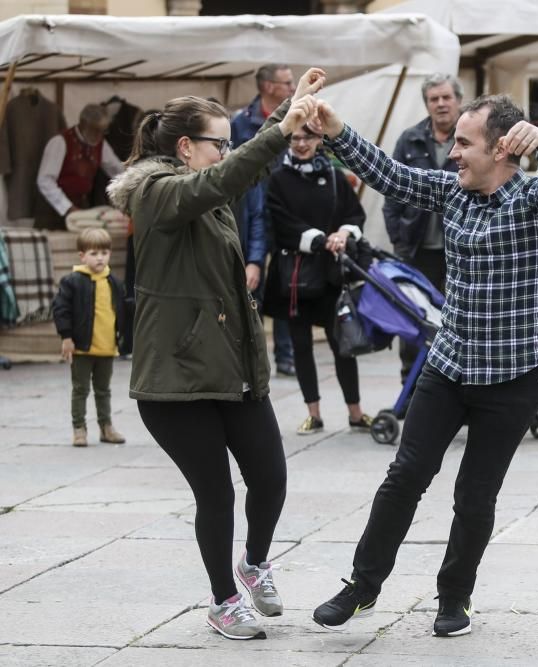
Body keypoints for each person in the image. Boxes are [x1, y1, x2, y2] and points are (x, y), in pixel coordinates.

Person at [310, 93, 538, 638]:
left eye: (463, 143)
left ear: (503, 149)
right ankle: (362, 587)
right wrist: (336, 130)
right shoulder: (454, 191)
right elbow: (389, 174)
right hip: (448, 366)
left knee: (474, 495)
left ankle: (454, 598)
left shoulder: (533, 203)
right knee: (405, 475)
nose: (452, 152)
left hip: (513, 378)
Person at [106, 68, 326, 639]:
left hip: (231, 364)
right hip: (175, 378)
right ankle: (224, 600)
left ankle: (254, 565)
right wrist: (279, 132)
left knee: (272, 478)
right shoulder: (157, 193)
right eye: (218, 142)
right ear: (185, 147)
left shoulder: (201, 188)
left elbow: (226, 174)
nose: (225, 151)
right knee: (217, 492)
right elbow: (223, 179)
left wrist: (289, 110)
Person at [262, 126, 372, 434]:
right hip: (294, 277)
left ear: (319, 140)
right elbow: (280, 222)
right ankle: (314, 413)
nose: (300, 144)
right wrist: (321, 239)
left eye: (307, 138)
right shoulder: (278, 178)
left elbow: (355, 214)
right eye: (295, 138)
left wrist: (344, 233)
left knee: (342, 344)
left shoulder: (336, 177)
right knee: (300, 345)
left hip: (330, 276)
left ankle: (355, 412)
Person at [384, 73, 461, 383]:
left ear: (458, 99)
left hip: (461, 250)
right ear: (427, 104)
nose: (441, 104)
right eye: (434, 99)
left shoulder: (473, 135)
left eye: (446, 97)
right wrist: (399, 243)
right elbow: (392, 193)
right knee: (415, 318)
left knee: (458, 321)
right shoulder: (410, 139)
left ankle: (453, 386)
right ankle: (411, 386)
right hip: (418, 251)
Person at [232, 63, 297, 377]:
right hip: (252, 211)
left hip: (285, 213)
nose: (293, 87)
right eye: (287, 83)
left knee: (284, 285)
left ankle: (286, 356)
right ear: (269, 86)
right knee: (250, 284)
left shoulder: (297, 118)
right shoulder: (239, 123)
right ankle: (252, 355)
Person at [52, 227, 126, 447]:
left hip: (107, 347)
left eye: (104, 252)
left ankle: (106, 427)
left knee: (104, 390)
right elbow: (61, 310)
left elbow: (122, 310)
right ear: (82, 256)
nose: (100, 258)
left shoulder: (114, 282)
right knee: (81, 389)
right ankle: (79, 428)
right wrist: (66, 337)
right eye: (94, 253)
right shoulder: (72, 281)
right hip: (82, 348)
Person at [36, 104, 123, 229]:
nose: (99, 135)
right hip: (54, 212)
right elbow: (45, 180)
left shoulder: (101, 144)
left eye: (103, 131)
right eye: (95, 130)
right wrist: (67, 207)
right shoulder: (60, 142)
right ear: (83, 123)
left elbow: (117, 170)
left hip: (82, 209)